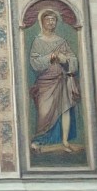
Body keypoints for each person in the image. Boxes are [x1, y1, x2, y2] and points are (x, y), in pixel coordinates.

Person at [28, 9, 81, 152]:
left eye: (54, 20)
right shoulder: (38, 41)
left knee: (65, 110)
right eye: (48, 20)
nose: (51, 22)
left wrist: (66, 59)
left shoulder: (61, 41)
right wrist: (49, 57)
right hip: (45, 82)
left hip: (61, 80)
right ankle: (39, 140)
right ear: (42, 22)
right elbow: (34, 63)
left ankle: (64, 141)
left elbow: (73, 60)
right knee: (44, 113)